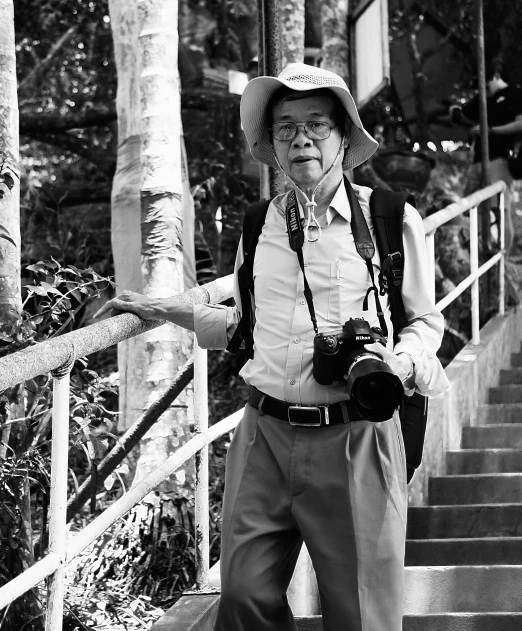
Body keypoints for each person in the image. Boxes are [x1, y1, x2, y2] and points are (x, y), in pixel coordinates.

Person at [95, 63, 450, 631]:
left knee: (363, 613)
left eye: (316, 125)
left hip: (356, 433)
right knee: (241, 598)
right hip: (264, 434)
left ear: (342, 137)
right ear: (273, 143)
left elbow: (426, 322)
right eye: (285, 128)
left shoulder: (388, 219)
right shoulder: (259, 224)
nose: (301, 138)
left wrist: (396, 361)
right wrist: (160, 308)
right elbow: (242, 326)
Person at [449, 69, 522, 253]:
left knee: (499, 208)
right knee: (468, 207)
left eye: (486, 84)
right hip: (477, 160)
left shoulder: (515, 94)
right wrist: (456, 114)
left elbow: (520, 123)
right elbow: (464, 118)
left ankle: (502, 251)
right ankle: (474, 247)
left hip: (499, 159)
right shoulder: (483, 98)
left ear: (496, 75)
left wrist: (491, 130)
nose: (485, 89)